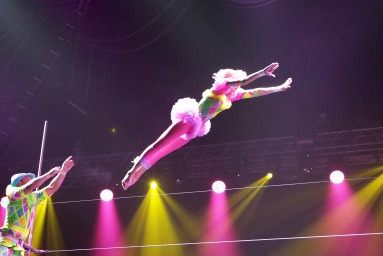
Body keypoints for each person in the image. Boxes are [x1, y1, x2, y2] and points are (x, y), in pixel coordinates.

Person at [120, 62, 292, 189]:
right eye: (236, 82)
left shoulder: (232, 96)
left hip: (196, 128)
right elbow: (245, 82)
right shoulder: (220, 88)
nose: (237, 86)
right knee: (160, 144)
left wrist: (279, 88)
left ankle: (137, 175)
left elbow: (255, 92)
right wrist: (262, 72)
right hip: (189, 120)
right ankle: (131, 171)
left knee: (164, 152)